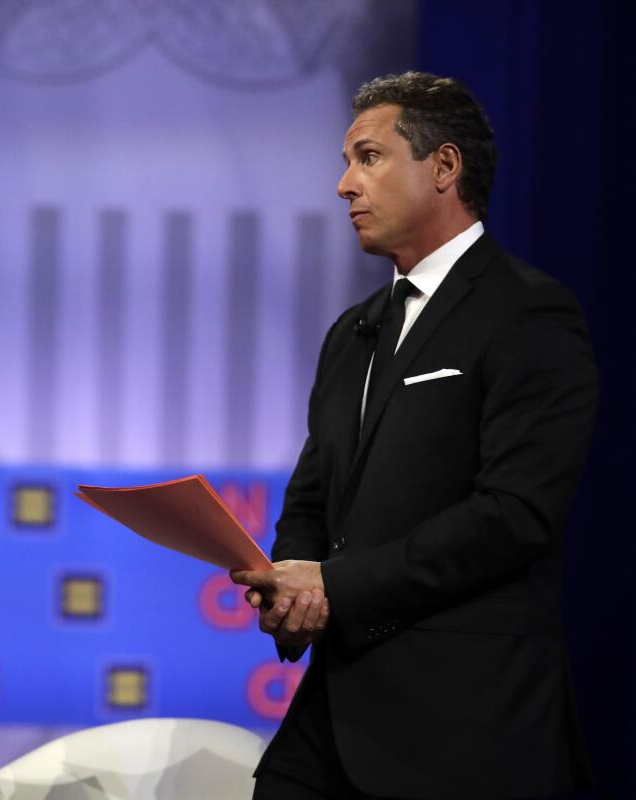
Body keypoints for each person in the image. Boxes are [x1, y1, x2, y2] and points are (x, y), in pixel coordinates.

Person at [230, 73, 596, 799]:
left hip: (465, 732)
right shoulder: (352, 331)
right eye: (347, 161)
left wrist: (337, 585)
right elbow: (312, 498)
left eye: (368, 157)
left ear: (444, 168)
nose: (343, 184)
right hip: (333, 718)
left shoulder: (528, 315)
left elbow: (515, 515)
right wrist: (294, 582)